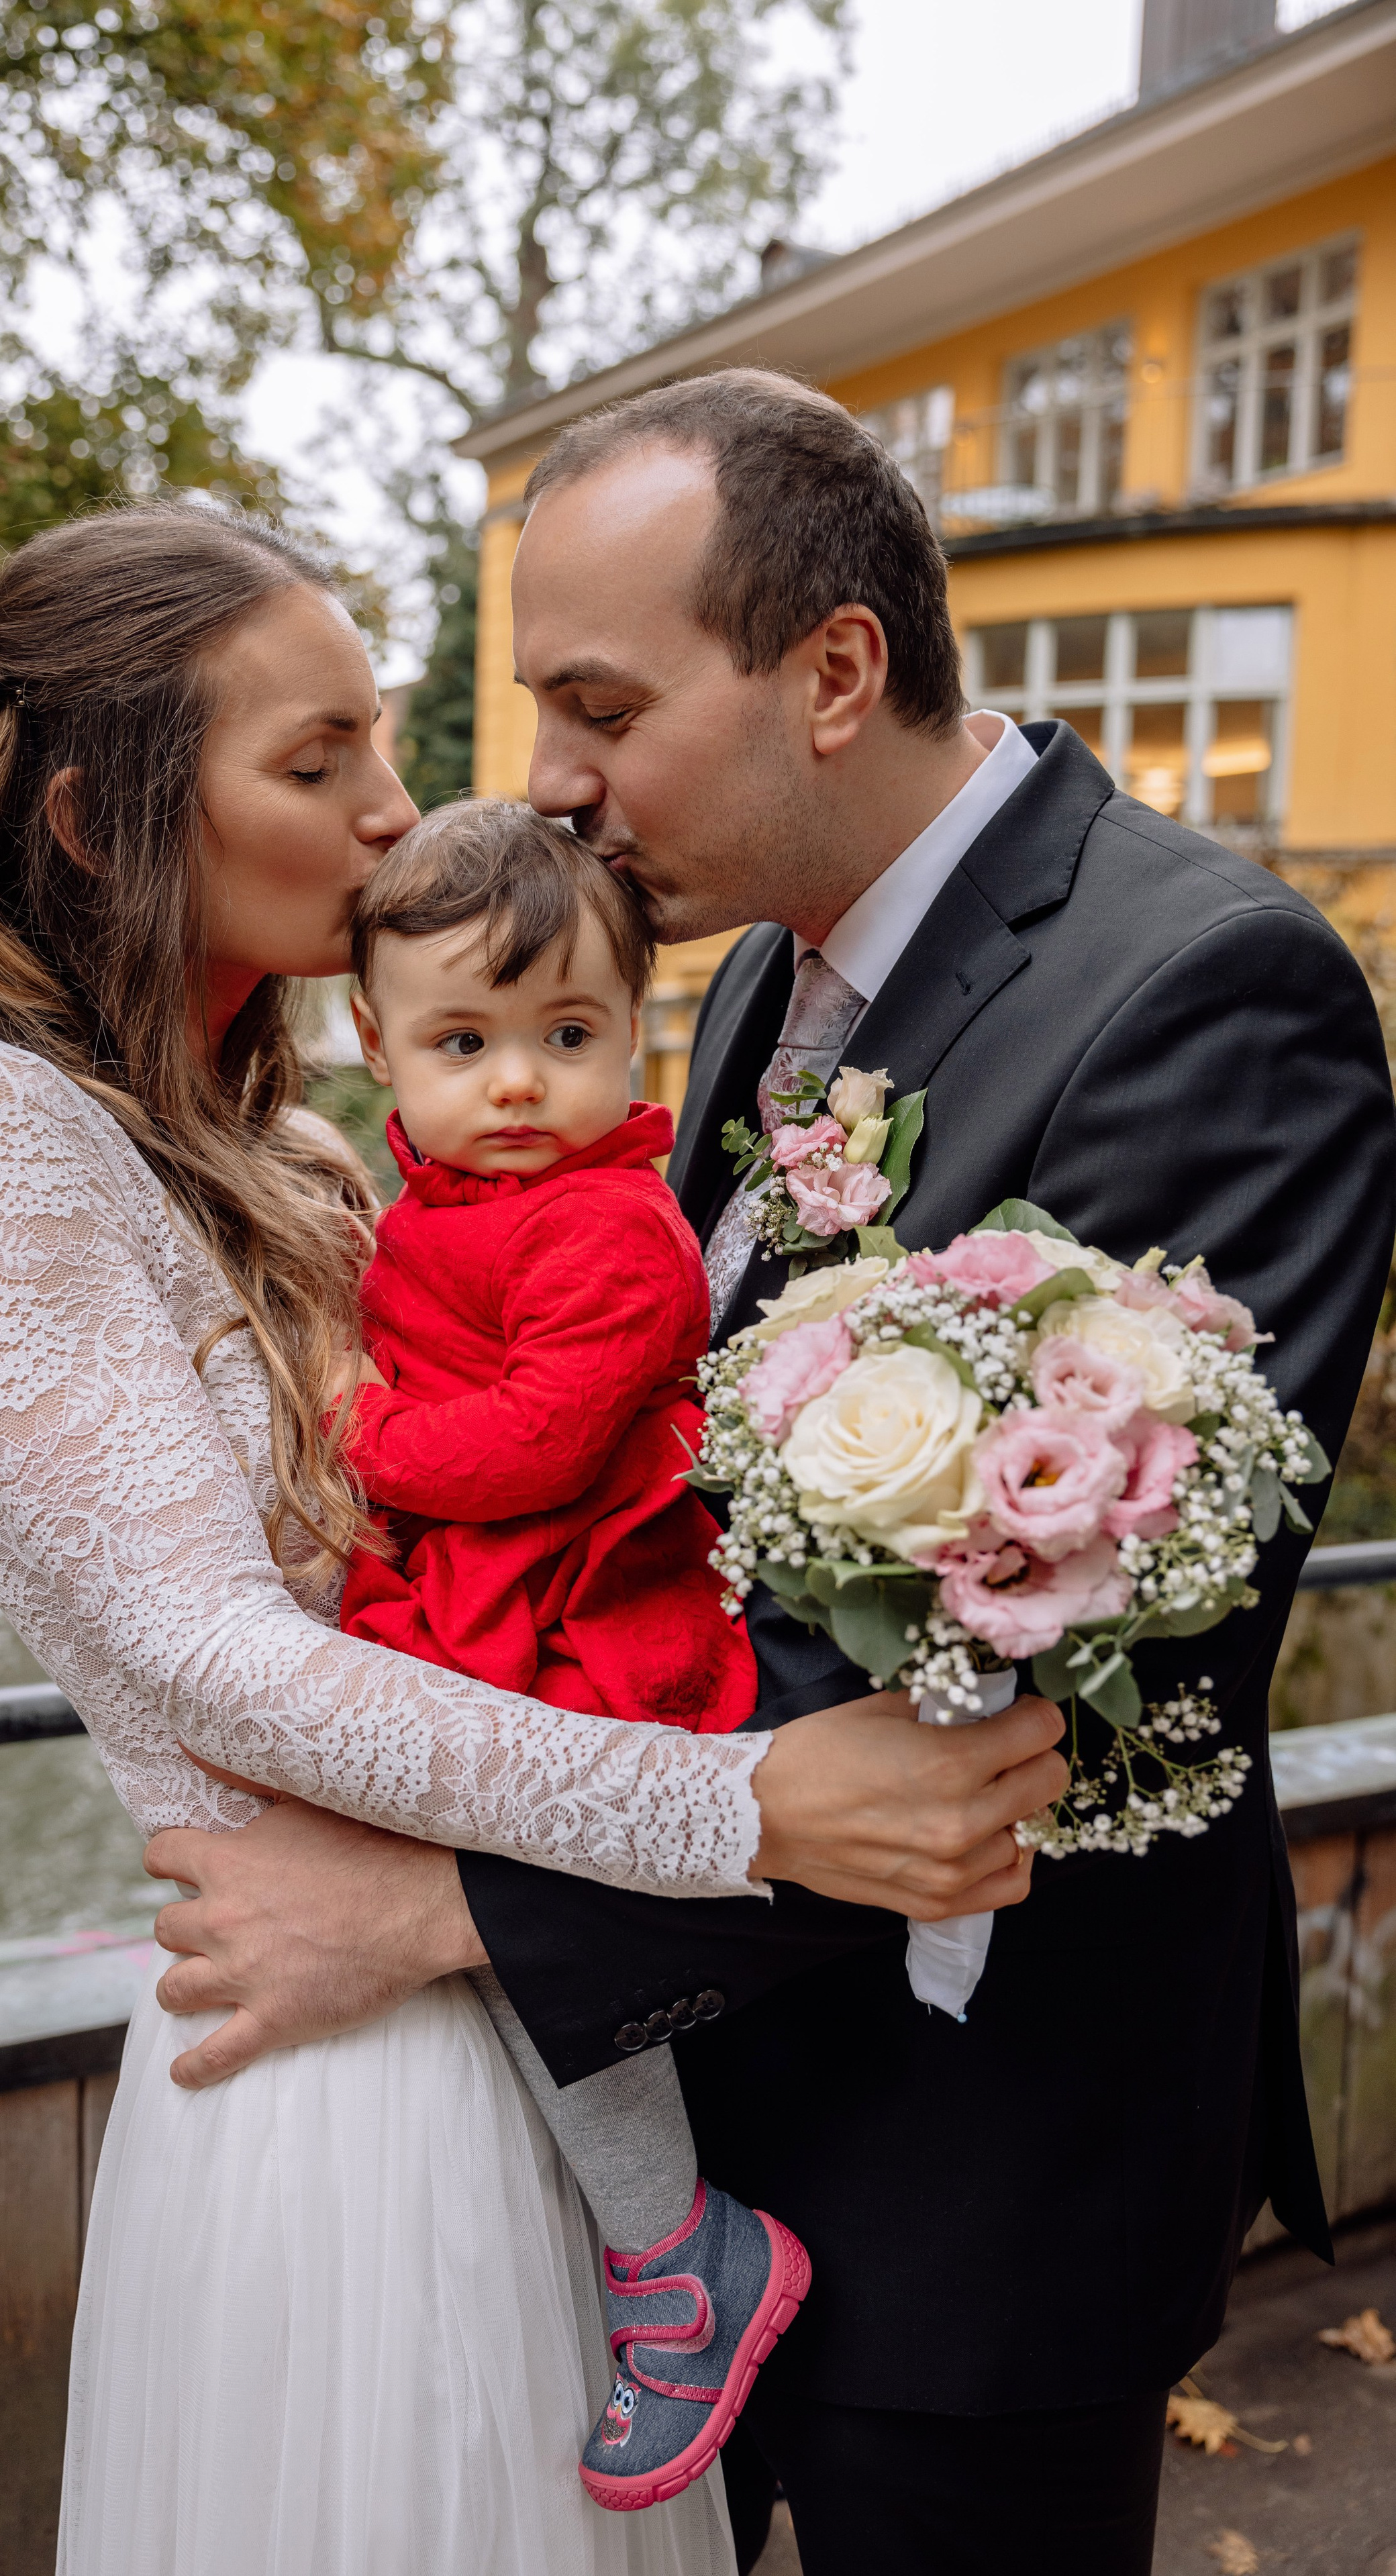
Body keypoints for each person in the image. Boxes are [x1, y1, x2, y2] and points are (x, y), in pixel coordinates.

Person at [145, 373, 1396, 2576]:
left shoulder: (1206, 985)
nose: (543, 778)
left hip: (984, 2160)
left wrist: (447, 1913)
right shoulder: (735, 993)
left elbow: (1095, 1675)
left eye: (599, 702)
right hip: (697, 2119)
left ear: (834, 668)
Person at [0, 494, 1064, 2576]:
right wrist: (743, 1797)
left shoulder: (307, 1141)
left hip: (502, 1993)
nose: (401, 805)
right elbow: (216, 1654)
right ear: (94, 817)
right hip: (331, 2057)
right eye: (316, 761)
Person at [342, 798, 800, 2509]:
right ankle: (631, 2243)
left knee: (543, 1942)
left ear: (634, 1036)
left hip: (579, 1610)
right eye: (464, 1041)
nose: (517, 1082)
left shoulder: (607, 1225)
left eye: (566, 1036)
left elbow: (537, 1442)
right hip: (481, 1597)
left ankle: (685, 2250)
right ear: (377, 1044)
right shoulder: (436, 1201)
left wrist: (361, 1443)